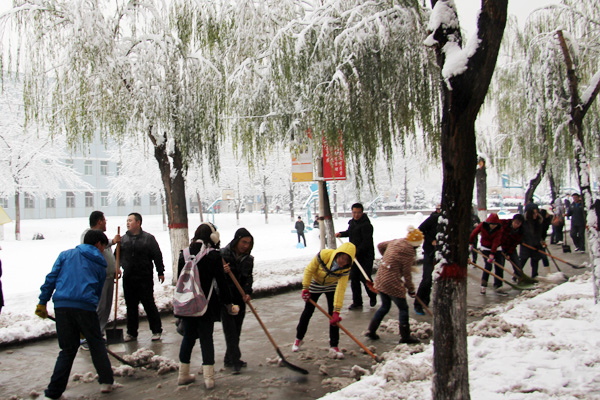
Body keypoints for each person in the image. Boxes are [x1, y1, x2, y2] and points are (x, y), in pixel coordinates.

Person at [36, 230, 116, 399]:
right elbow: (97, 291)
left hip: (62, 307)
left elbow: (51, 279)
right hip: (85, 308)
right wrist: (86, 321)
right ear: (98, 244)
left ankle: (54, 392)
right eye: (103, 246)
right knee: (96, 344)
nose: (103, 250)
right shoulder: (101, 264)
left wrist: (43, 302)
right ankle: (106, 382)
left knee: (67, 350)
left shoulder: (65, 255)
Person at [176, 223, 237, 389]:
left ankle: (183, 374)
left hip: (188, 304)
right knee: (206, 338)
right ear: (213, 237)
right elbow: (222, 284)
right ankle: (209, 379)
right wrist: (228, 304)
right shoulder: (213, 255)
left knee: (188, 337)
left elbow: (179, 282)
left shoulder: (184, 254)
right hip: (206, 305)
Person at [292, 242, 356, 359]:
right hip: (316, 282)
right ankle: (298, 339)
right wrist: (305, 288)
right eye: (342, 258)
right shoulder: (324, 255)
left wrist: (337, 311)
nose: (343, 262)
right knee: (308, 312)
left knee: (333, 317)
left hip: (331, 285)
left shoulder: (345, 269)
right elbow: (309, 270)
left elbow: (341, 289)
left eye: (347, 260)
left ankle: (334, 345)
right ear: (338, 254)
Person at [365, 226, 424, 344]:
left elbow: (381, 245)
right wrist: (411, 290)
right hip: (392, 282)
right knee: (403, 308)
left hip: (381, 277)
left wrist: (387, 258)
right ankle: (405, 336)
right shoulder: (409, 252)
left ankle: (371, 330)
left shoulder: (397, 241)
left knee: (385, 306)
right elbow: (407, 274)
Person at [119, 212, 165, 342]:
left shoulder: (148, 238)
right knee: (131, 306)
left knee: (148, 303)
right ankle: (131, 332)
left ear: (138, 223)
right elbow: (117, 256)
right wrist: (118, 267)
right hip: (129, 278)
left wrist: (160, 271)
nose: (128, 223)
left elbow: (157, 255)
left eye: (130, 220)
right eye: (127, 220)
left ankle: (156, 330)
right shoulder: (123, 239)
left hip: (144, 277)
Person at [80, 211, 121, 348]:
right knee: (98, 307)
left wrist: (115, 267)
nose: (105, 223)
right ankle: (88, 338)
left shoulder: (103, 238)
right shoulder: (87, 235)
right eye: (104, 220)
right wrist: (112, 242)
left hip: (109, 277)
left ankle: (99, 333)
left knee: (105, 308)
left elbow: (107, 253)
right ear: (99, 221)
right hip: (98, 278)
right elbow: (93, 248)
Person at [220, 228, 254, 374]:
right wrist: (221, 270)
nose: (245, 246)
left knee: (237, 329)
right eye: (243, 242)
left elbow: (248, 278)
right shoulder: (222, 255)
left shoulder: (248, 259)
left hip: (239, 298)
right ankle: (235, 361)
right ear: (237, 240)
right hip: (225, 298)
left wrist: (247, 293)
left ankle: (229, 358)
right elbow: (212, 275)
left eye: (248, 243)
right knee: (230, 331)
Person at [335, 203, 377, 309]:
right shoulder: (353, 223)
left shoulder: (367, 225)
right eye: (354, 212)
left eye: (358, 213)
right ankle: (357, 302)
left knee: (364, 277)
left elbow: (366, 243)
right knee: (354, 278)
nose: (356, 215)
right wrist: (341, 234)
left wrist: (356, 252)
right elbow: (350, 232)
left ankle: (373, 295)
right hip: (354, 255)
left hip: (366, 256)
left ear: (362, 212)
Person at [469, 213, 505, 295]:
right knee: (488, 266)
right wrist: (470, 243)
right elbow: (474, 233)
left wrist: (492, 254)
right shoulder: (482, 225)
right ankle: (483, 286)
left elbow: (496, 242)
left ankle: (498, 285)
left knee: (499, 266)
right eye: (492, 224)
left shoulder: (499, 229)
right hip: (485, 248)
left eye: (495, 225)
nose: (493, 226)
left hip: (497, 248)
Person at [414, 204, 440, 315]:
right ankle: (418, 303)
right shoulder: (433, 219)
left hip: (441, 253)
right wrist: (431, 240)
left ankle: (426, 300)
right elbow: (420, 230)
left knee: (436, 278)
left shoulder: (448, 221)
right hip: (430, 252)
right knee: (427, 278)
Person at [519, 204, 545, 278]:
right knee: (522, 261)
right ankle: (517, 274)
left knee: (535, 260)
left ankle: (534, 275)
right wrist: (523, 242)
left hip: (536, 245)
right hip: (526, 245)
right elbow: (520, 234)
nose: (536, 215)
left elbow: (540, 234)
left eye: (537, 213)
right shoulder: (524, 222)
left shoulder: (538, 222)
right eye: (534, 213)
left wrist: (540, 241)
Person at [499, 214, 524, 279]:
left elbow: (515, 243)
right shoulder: (504, 224)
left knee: (517, 264)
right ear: (512, 221)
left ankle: (521, 278)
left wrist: (509, 253)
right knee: (500, 266)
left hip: (510, 248)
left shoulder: (520, 231)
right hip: (500, 247)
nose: (516, 225)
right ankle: (498, 283)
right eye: (515, 223)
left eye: (518, 224)